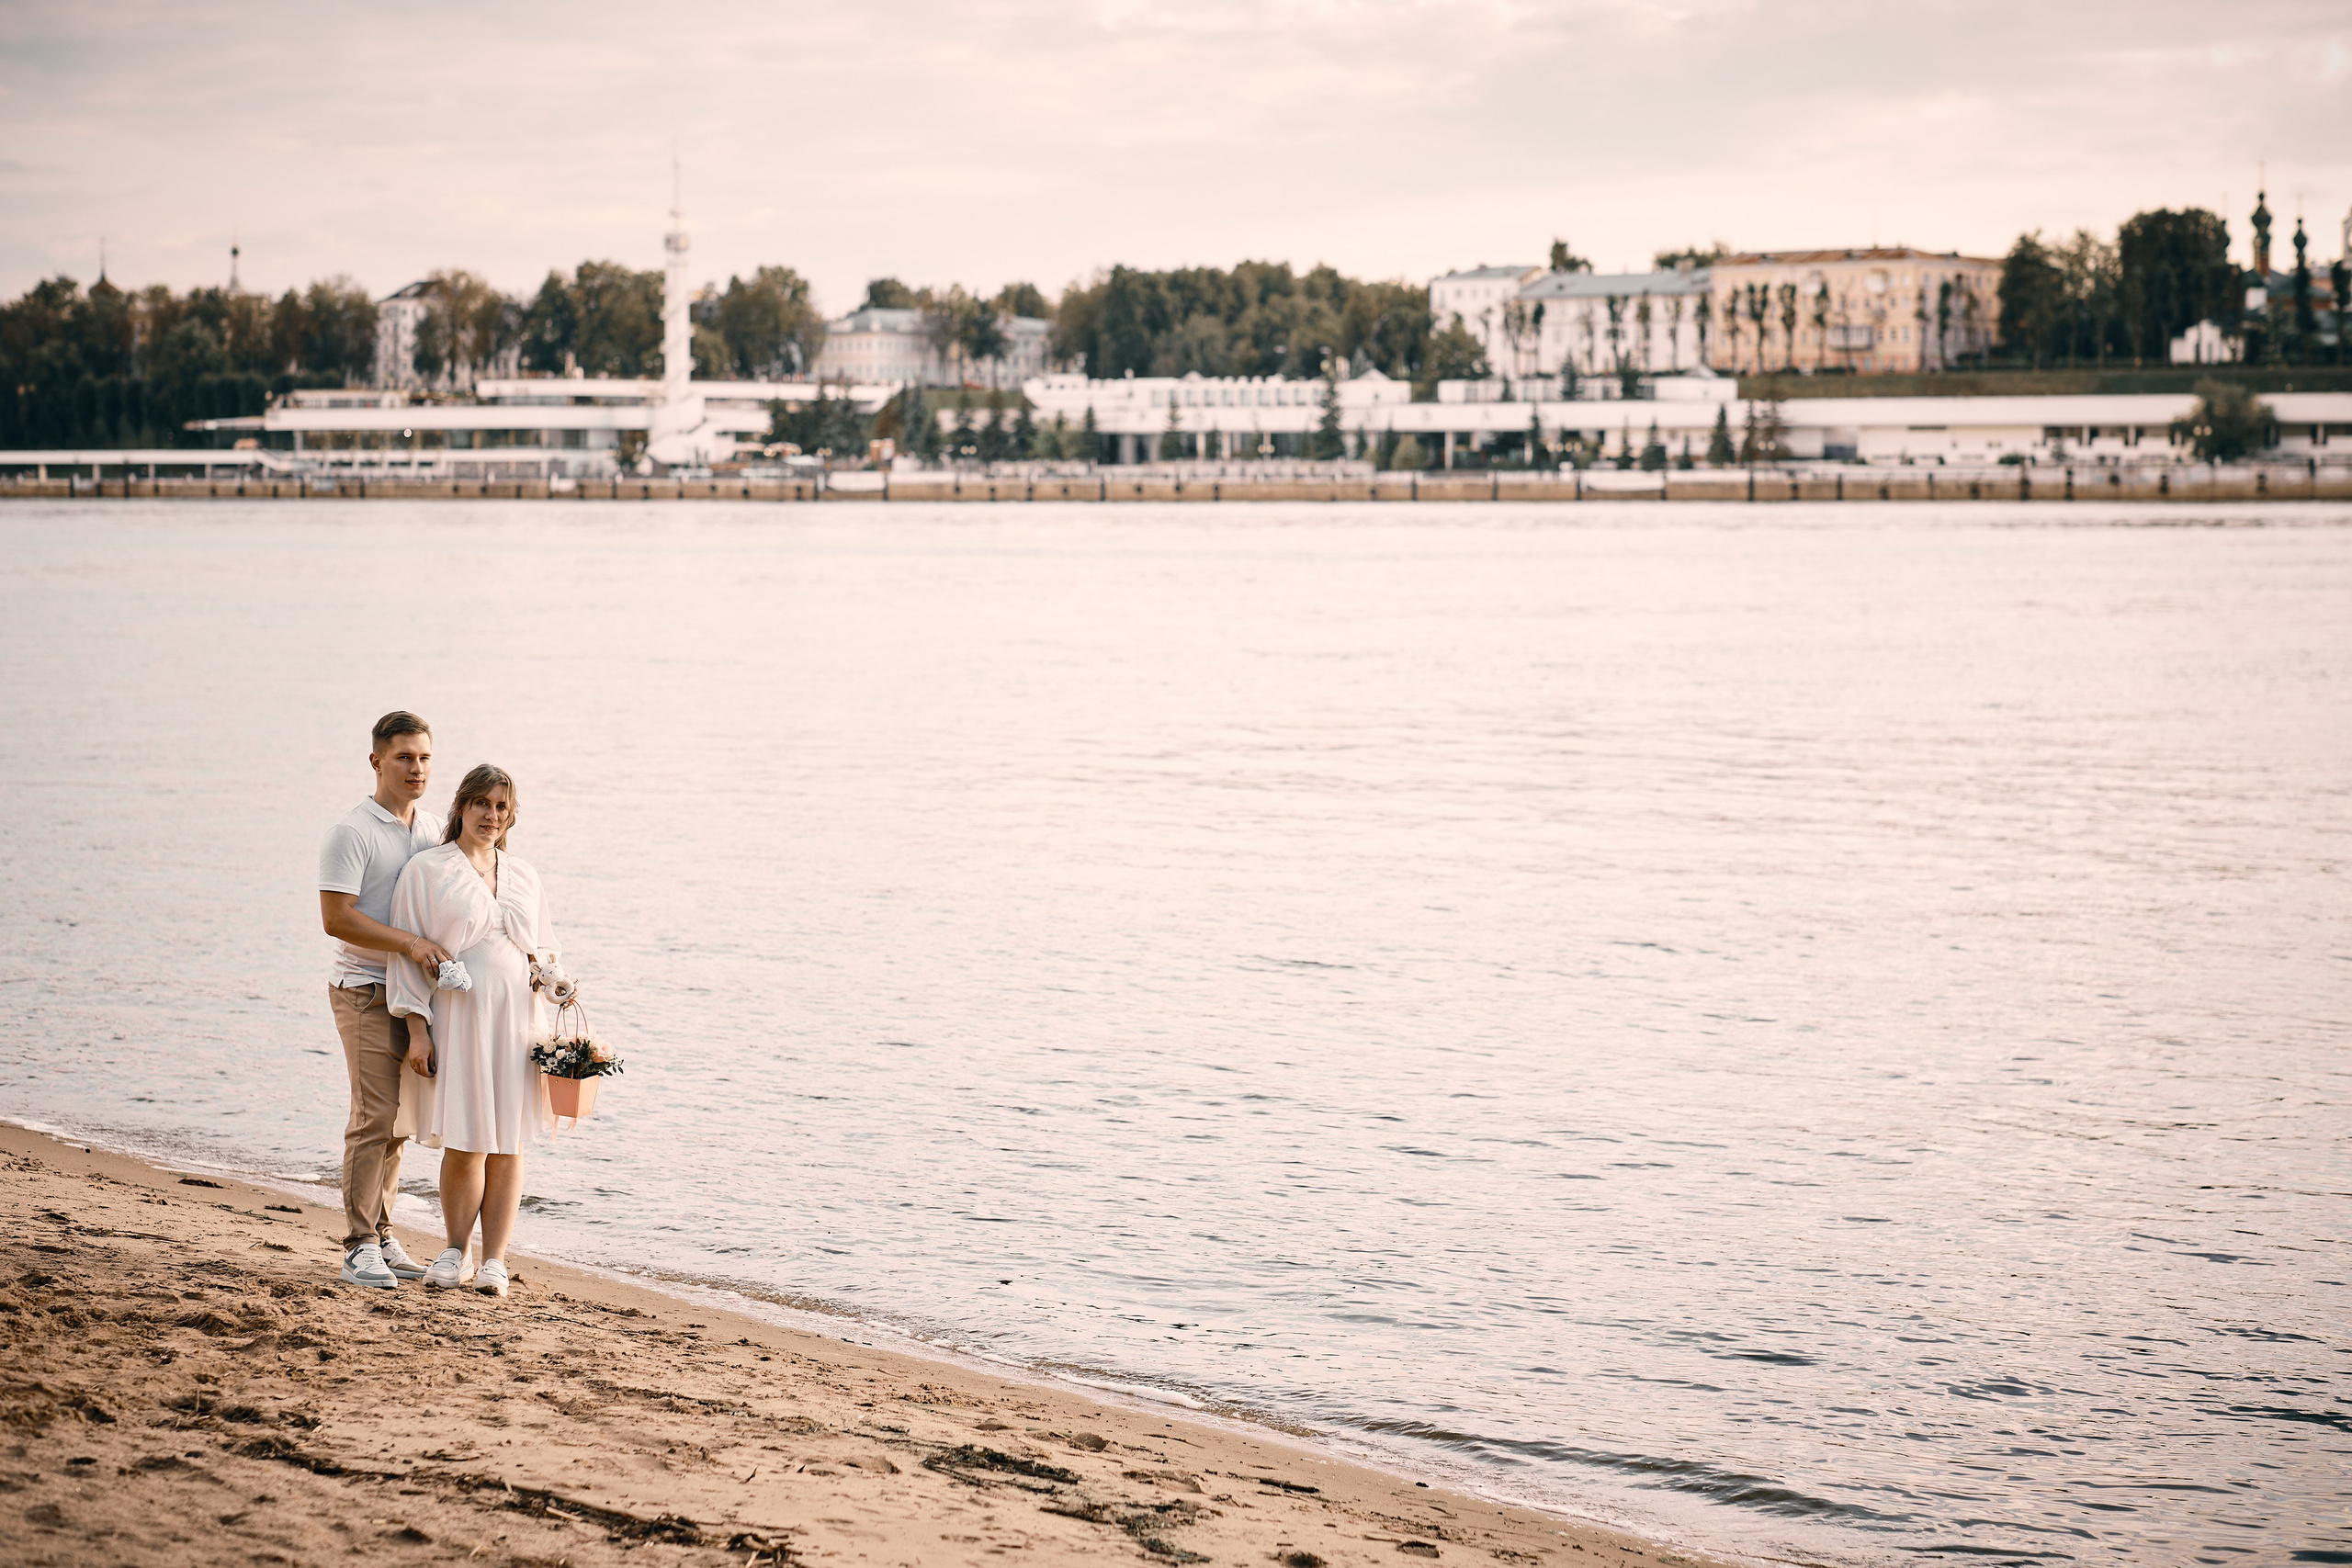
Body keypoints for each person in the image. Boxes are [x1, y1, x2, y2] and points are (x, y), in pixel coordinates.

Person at [386, 762, 561, 1299]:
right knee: (464, 1139)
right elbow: (408, 956)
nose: (491, 815)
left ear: (511, 817)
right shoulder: (428, 870)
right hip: (460, 1021)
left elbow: (543, 952)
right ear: (461, 805)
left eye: (501, 807)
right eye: (482, 803)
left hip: (518, 1027)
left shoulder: (524, 874)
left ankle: (495, 1262)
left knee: (508, 1142)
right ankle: (454, 1251)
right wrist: (418, 1030)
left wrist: (557, 985)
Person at [318, 711, 453, 1290]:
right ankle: (356, 1247)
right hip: (364, 991)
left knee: (398, 1124)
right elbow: (336, 919)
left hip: (413, 997)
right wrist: (413, 944)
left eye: (423, 757)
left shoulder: (429, 832)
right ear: (377, 761)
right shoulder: (353, 832)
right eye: (403, 757)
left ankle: (381, 1232)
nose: (415, 768)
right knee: (372, 1118)